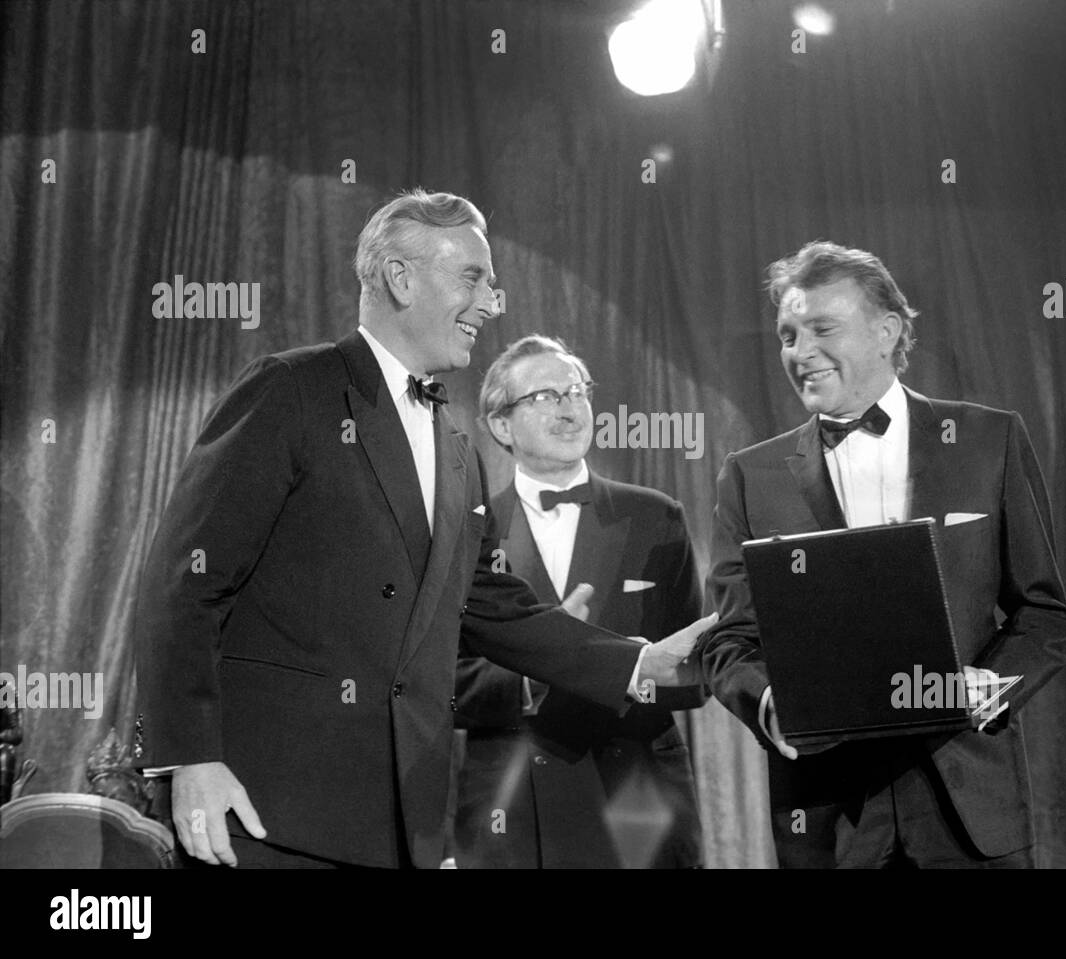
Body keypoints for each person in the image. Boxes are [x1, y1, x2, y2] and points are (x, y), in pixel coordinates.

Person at [132, 189, 711, 869]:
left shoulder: (457, 448)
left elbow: (492, 606)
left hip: (398, 826)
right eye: (473, 278)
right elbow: (184, 579)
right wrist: (192, 756)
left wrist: (636, 662)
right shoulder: (291, 389)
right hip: (264, 813)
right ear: (401, 278)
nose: (492, 303)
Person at [702, 241, 1066, 868]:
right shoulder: (749, 475)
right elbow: (729, 640)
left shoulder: (989, 440)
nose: (800, 352)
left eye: (822, 329)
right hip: (827, 815)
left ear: (887, 330)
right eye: (788, 336)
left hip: (972, 807)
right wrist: (769, 704)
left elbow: (1044, 614)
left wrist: (993, 685)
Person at [454, 336, 707, 868]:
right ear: (501, 425)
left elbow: (697, 672)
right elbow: (439, 682)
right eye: (545, 397)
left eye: (577, 392)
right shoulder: (466, 533)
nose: (570, 410)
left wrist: (634, 671)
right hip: (515, 806)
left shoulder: (656, 517)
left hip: (637, 798)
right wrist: (536, 673)